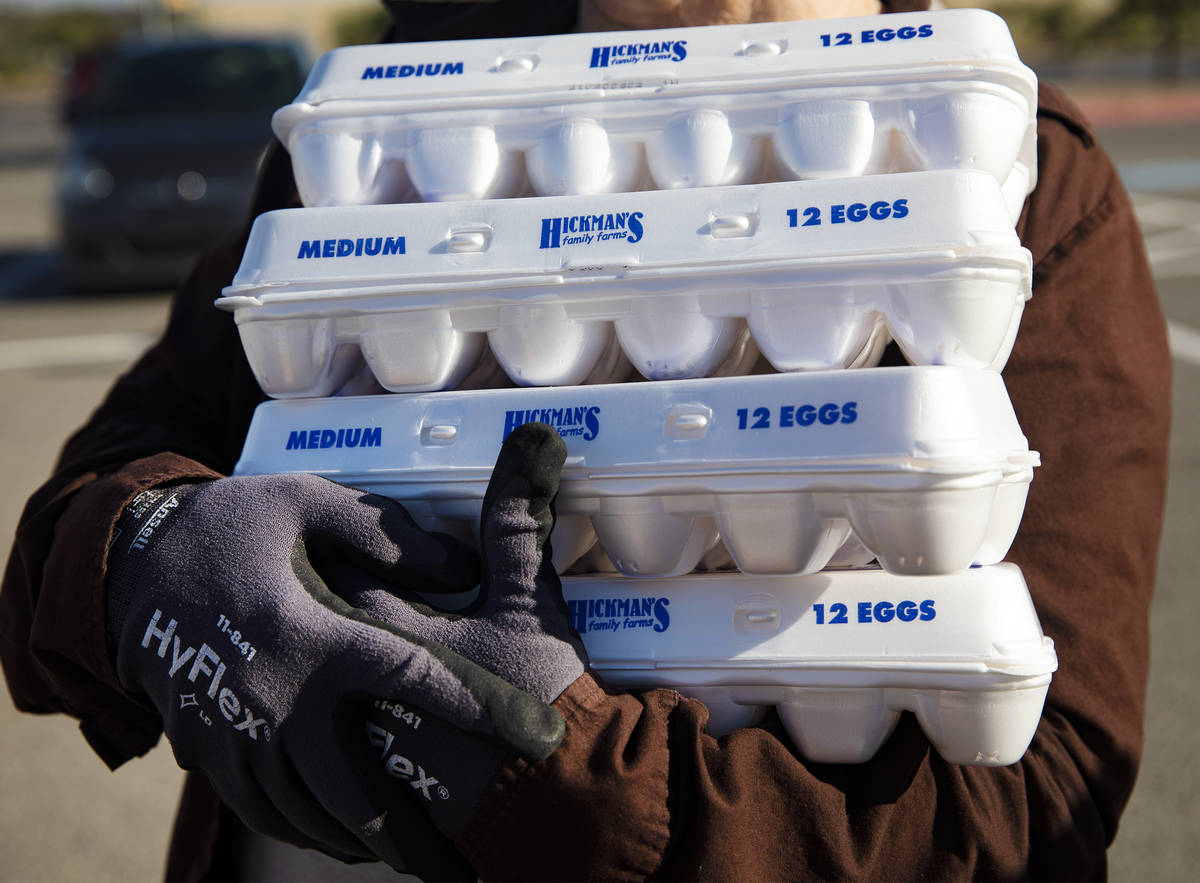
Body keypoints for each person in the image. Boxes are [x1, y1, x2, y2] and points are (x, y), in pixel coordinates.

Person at [0, 0, 1170, 879]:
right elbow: (69, 542)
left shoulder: (1009, 168)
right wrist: (154, 554)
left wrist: (568, 780)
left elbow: (1034, 808)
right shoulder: (394, 126)